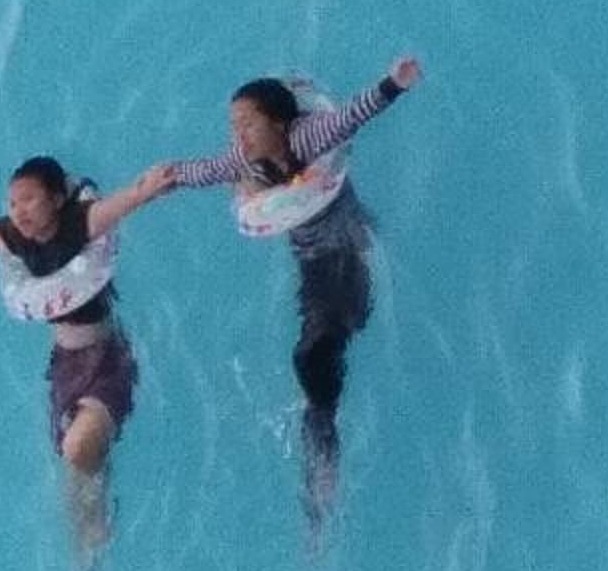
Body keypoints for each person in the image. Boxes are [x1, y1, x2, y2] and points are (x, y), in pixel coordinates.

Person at [156, 55, 420, 536]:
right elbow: (208, 170)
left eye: (247, 124)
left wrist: (394, 83)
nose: (238, 135)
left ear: (280, 123)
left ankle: (323, 450)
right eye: (233, 126)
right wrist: (168, 178)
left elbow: (353, 114)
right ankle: (321, 449)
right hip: (311, 261)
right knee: (315, 356)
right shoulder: (244, 159)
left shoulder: (309, 136)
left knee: (315, 352)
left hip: (346, 252)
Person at [0, 155, 174, 571]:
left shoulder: (80, 225)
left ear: (57, 200)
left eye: (29, 200)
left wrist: (149, 187)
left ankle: (95, 553)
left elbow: (120, 205)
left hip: (106, 359)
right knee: (77, 471)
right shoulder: (17, 238)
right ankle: (88, 569)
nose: (18, 210)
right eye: (12, 202)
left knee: (78, 449)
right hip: (64, 366)